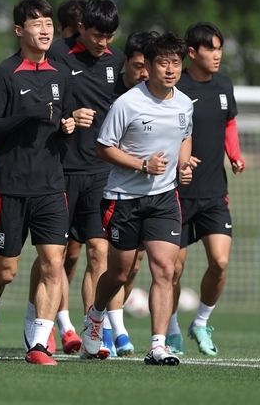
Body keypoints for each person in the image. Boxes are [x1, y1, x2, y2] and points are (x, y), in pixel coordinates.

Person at [80, 32, 193, 366]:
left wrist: (184, 165)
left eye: (176, 63)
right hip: (123, 198)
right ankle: (95, 316)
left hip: (164, 198)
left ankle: (158, 345)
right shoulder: (127, 103)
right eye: (163, 63)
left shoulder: (185, 104)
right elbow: (103, 148)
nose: (170, 70)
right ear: (150, 66)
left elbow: (185, 135)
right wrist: (142, 165)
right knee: (120, 273)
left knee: (165, 269)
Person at [0, 0, 75, 366]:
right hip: (10, 186)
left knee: (53, 263)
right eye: (36, 24)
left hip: (51, 185)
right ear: (20, 30)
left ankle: (38, 343)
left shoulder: (61, 75)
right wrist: (26, 114)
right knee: (6, 271)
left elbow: (63, 119)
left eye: (48, 23)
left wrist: (69, 124)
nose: (45, 30)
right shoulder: (4, 74)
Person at [22, 0, 123, 357]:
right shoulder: (57, 55)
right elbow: (39, 99)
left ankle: (93, 331)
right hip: (60, 170)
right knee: (54, 255)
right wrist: (67, 116)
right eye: (97, 36)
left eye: (109, 36)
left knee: (99, 252)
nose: (103, 43)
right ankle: (37, 321)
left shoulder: (117, 60)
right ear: (81, 28)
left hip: (101, 171)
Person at [167, 22, 244, 356]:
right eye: (210, 48)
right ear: (192, 52)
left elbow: (229, 122)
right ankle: (170, 329)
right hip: (177, 193)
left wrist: (235, 155)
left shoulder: (224, 85)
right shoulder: (176, 87)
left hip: (214, 193)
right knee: (172, 269)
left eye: (219, 48)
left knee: (220, 262)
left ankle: (200, 322)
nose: (217, 54)